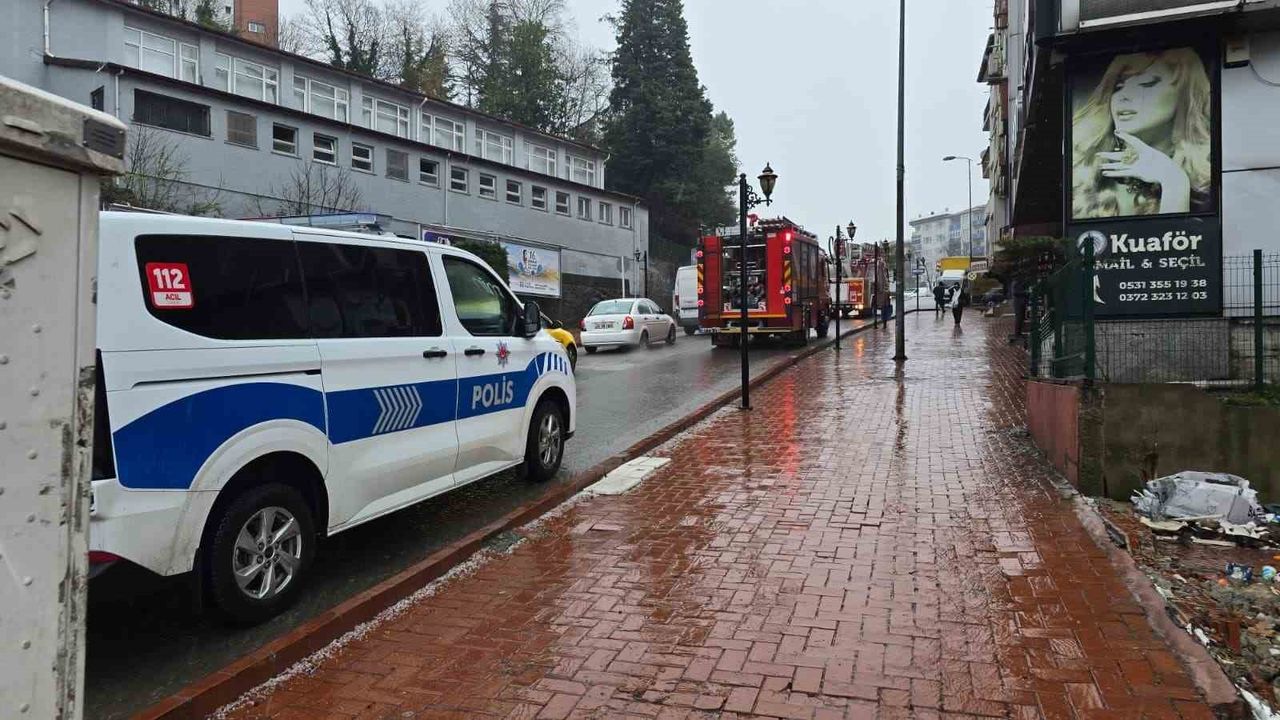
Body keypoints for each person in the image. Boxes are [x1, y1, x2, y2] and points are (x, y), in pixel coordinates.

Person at [1071, 47, 1211, 219]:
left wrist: (1173, 181)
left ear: (1184, 94)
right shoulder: (1082, 171)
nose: (1124, 95)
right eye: (1118, 87)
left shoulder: (1207, 184)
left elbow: (1177, 236)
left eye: (1147, 84)